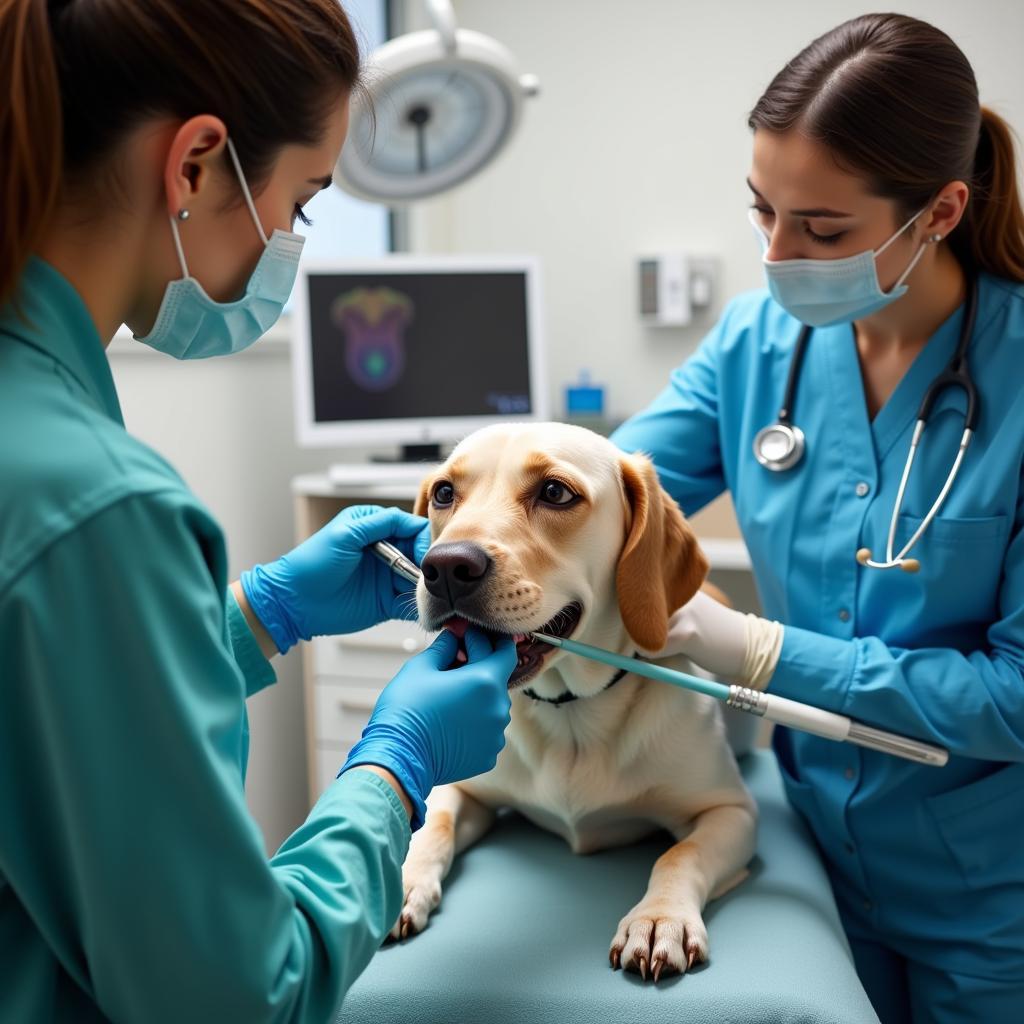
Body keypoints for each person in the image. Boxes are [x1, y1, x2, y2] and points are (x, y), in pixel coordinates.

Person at [0, 2, 516, 1021]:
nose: (292, 242)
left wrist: (254, 617)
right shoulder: (99, 508)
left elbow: (42, 712)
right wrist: (393, 771)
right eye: (305, 201)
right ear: (195, 164)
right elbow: (237, 994)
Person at [612, 13, 1024, 1023]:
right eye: (762, 212)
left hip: (989, 893)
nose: (778, 254)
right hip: (811, 869)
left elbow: (1016, 697)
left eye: (823, 230)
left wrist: (752, 648)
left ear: (938, 211)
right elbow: (599, 493)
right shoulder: (756, 343)